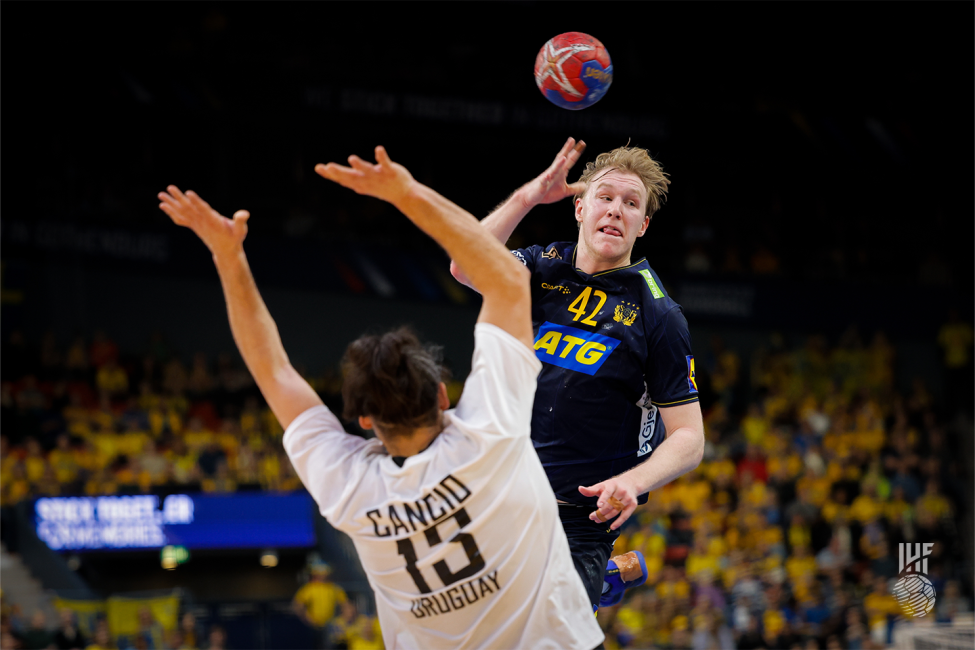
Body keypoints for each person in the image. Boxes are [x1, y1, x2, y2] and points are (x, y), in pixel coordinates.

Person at [157, 145, 603, 650]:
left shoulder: (349, 488)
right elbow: (506, 278)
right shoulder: (489, 433)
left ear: (364, 419)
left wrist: (228, 256)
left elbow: (273, 371)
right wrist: (405, 193)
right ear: (441, 394)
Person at [450, 138, 705, 609]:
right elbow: (464, 264)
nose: (616, 210)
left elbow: (690, 439)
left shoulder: (660, 316)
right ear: (580, 208)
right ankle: (603, 578)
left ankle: (589, 575)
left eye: (631, 204)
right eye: (605, 198)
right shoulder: (542, 266)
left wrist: (633, 482)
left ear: (642, 225)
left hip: (577, 521)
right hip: (500, 497)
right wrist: (528, 197)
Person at [292, 561, 347, 639]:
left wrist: (341, 620)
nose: (324, 575)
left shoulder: (334, 588)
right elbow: (297, 605)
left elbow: (345, 604)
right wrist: (306, 618)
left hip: (330, 625)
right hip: (313, 626)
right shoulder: (309, 588)